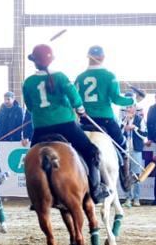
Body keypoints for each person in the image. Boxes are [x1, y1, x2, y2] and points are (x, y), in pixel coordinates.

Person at [22, 44, 109, 204]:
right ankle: (96, 190)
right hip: (65, 124)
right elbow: (75, 98)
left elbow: (29, 107)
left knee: (30, 160)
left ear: (35, 62)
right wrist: (80, 109)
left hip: (40, 127)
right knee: (91, 151)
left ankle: (35, 198)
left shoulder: (27, 82)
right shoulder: (61, 77)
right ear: (50, 60)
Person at [73, 45, 137, 172]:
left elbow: (74, 100)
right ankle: (126, 176)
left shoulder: (80, 77)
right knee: (122, 144)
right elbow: (116, 99)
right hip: (105, 120)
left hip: (85, 120)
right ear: (102, 58)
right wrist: (133, 100)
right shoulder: (109, 76)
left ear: (88, 58)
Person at [122, 103, 146, 207]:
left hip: (136, 149)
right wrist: (125, 127)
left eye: (130, 107)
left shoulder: (139, 119)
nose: (129, 109)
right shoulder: (123, 119)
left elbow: (144, 134)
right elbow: (118, 132)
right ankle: (128, 198)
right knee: (127, 174)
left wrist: (134, 128)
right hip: (125, 150)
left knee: (136, 174)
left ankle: (136, 198)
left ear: (135, 108)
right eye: (127, 107)